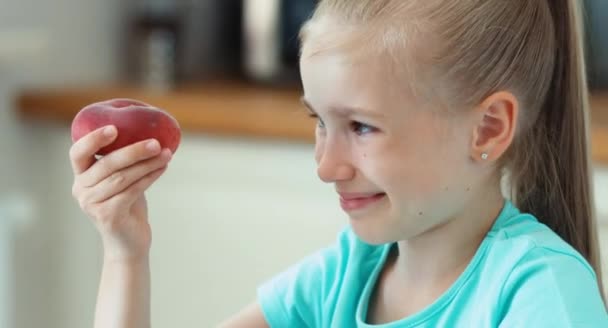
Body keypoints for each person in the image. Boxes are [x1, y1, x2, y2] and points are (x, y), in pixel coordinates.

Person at [69, 0, 608, 327]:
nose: (326, 166)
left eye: (362, 127)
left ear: (488, 128)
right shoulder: (346, 276)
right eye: (319, 122)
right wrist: (125, 253)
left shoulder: (539, 292)